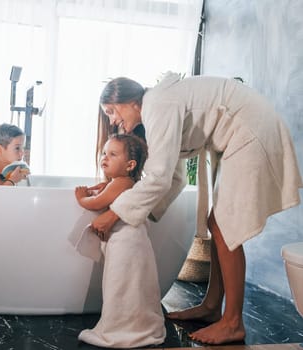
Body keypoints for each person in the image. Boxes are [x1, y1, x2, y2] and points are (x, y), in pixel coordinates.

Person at [91, 73, 303, 345]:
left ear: (130, 101)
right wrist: (140, 212)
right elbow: (175, 177)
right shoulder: (158, 106)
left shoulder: (157, 104)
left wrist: (115, 213)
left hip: (251, 127)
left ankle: (233, 322)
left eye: (111, 112)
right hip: (245, 128)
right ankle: (213, 306)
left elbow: (159, 178)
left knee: (224, 224)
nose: (112, 121)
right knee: (219, 222)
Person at [75, 133, 167, 348]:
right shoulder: (125, 182)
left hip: (127, 245)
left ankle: (123, 326)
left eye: (113, 154)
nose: (104, 158)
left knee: (121, 285)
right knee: (130, 286)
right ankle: (135, 322)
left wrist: (81, 197)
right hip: (132, 244)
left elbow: (96, 203)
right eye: (104, 153)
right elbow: (108, 194)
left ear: (130, 165)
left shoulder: (121, 182)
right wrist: (104, 187)